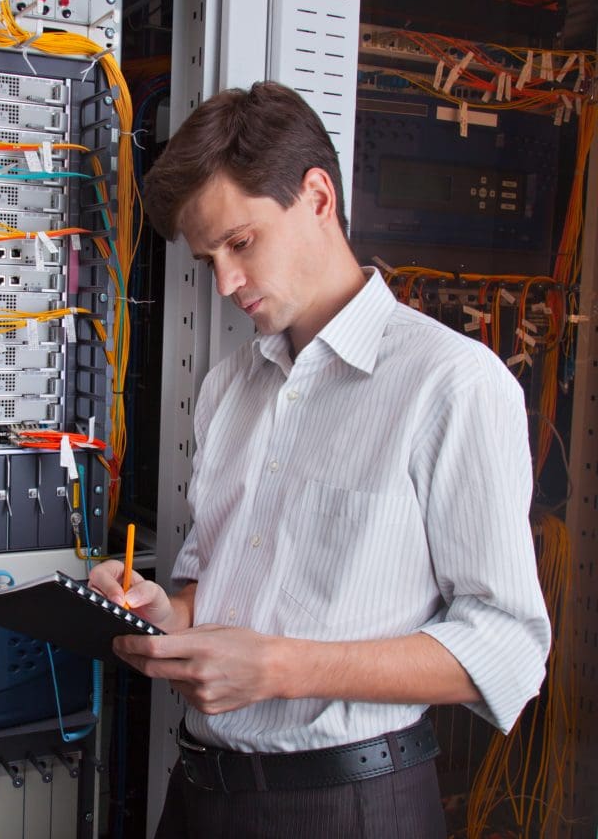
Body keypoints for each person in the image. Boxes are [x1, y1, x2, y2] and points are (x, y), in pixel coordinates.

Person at [87, 82, 551, 838]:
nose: (226, 283)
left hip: (353, 806)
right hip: (200, 791)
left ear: (318, 196)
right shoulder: (227, 388)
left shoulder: (452, 384)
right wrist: (163, 613)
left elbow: (508, 649)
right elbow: (214, 592)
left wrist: (284, 669)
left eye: (239, 244)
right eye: (209, 259)